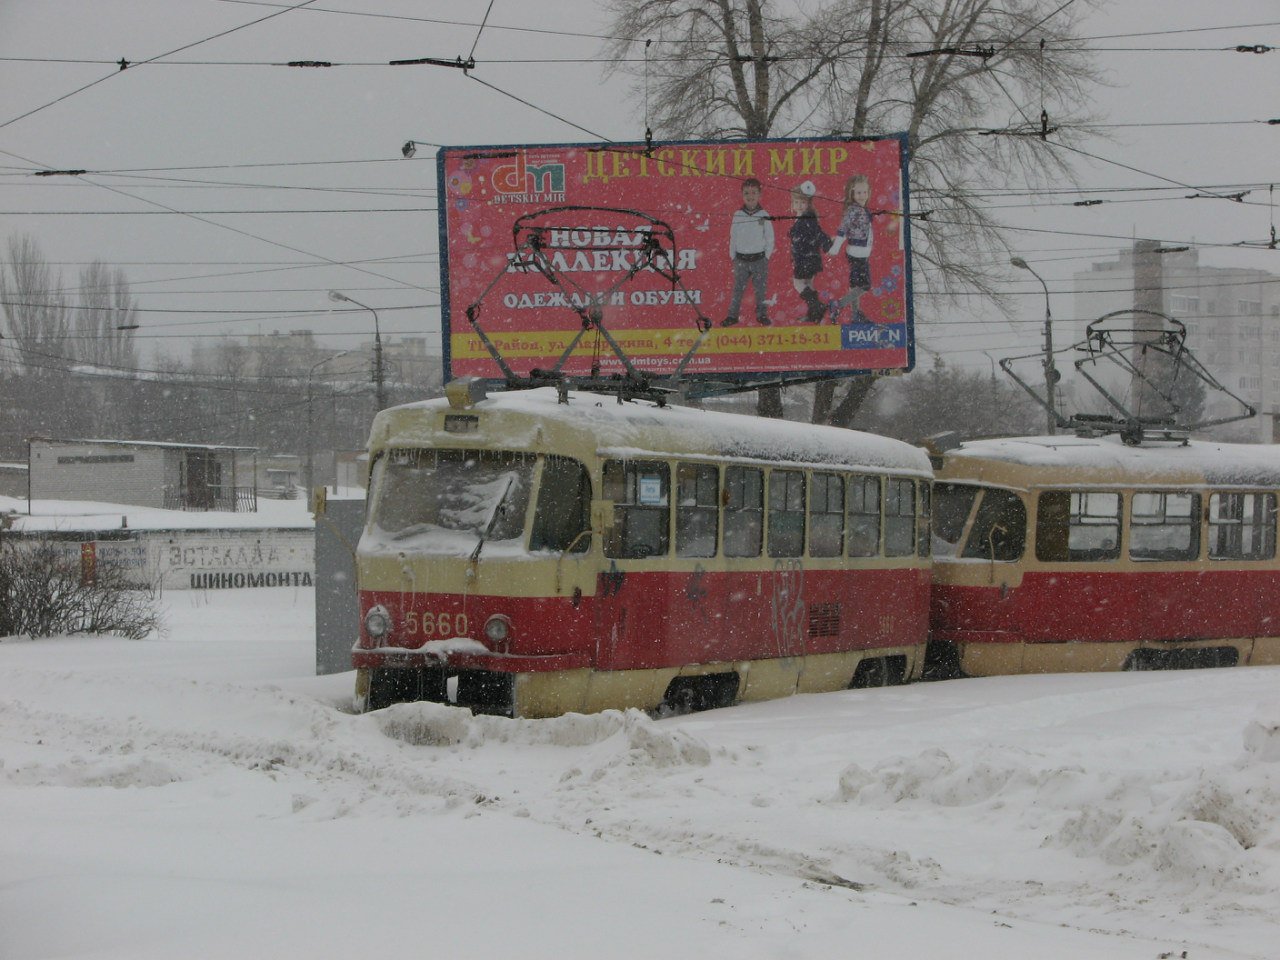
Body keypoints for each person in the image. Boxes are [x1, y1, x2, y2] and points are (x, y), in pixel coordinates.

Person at [722, 178, 774, 327]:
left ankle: (762, 315)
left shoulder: (764, 214)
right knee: (737, 290)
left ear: (759, 195)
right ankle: (732, 316)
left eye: (754, 193)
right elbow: (733, 236)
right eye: (746, 193)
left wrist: (766, 256)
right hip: (741, 260)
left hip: (759, 260)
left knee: (761, 291)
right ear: (742, 195)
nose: (750, 196)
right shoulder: (738, 214)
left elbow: (770, 237)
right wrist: (733, 256)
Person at [827, 174, 873, 324]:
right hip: (857, 253)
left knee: (855, 285)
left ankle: (855, 314)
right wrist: (835, 247)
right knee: (865, 285)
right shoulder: (853, 210)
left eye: (865, 192)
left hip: (860, 253)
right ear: (852, 194)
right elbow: (843, 229)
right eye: (859, 192)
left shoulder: (861, 209)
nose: (862, 196)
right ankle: (838, 305)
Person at [787, 180, 829, 323]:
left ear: (808, 203)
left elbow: (818, 233)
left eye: (802, 202)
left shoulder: (807, 219)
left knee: (798, 283)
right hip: (809, 258)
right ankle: (814, 314)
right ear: (792, 204)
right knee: (809, 285)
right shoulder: (803, 218)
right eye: (796, 202)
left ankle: (817, 306)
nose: (799, 205)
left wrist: (827, 243)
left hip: (806, 258)